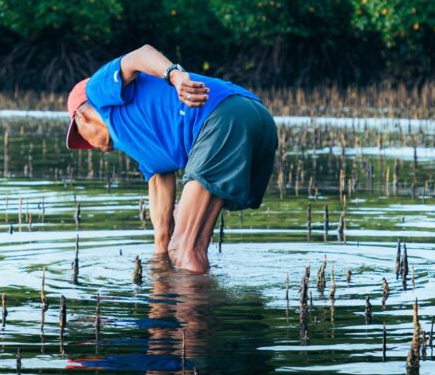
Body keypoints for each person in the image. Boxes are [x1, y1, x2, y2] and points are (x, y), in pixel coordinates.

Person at [66, 44, 277, 273]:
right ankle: (201, 302)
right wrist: (159, 267)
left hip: (223, 118)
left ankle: (193, 308)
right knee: (183, 244)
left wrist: (174, 75)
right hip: (257, 117)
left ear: (81, 115)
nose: (89, 147)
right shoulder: (148, 153)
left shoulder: (97, 92)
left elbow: (140, 55)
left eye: (81, 137)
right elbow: (162, 229)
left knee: (184, 249)